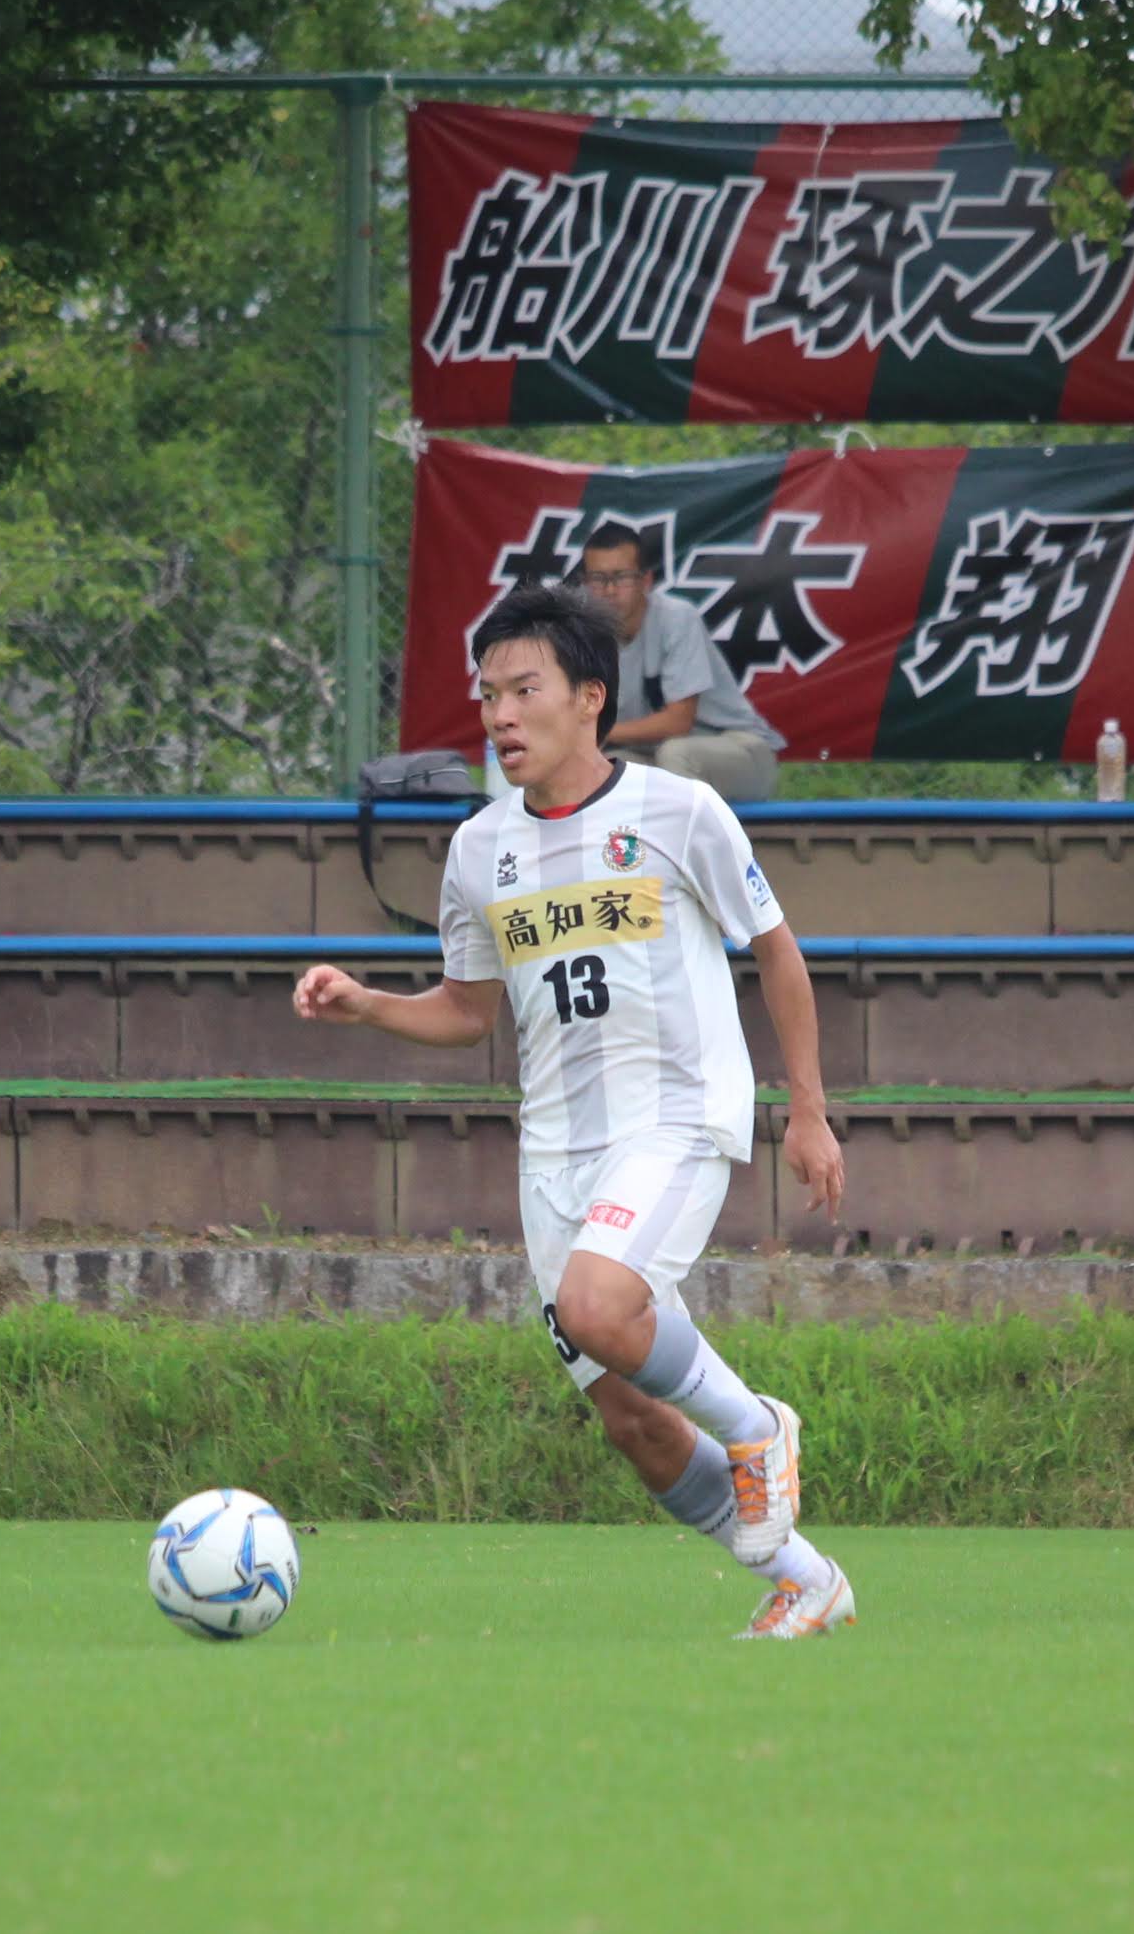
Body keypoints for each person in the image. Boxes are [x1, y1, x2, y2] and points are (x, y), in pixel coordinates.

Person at [292, 582, 857, 1639]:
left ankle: (757, 1426)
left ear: (590, 697)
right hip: (553, 1152)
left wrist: (808, 1111)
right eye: (487, 695)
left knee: (599, 1308)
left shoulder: (680, 812)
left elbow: (777, 950)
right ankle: (807, 1580)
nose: (500, 716)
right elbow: (469, 1010)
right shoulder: (478, 849)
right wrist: (367, 1005)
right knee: (631, 1420)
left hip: (677, 1116)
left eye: (524, 691)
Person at [574, 521, 786, 803]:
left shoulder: (676, 617)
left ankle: (694, 834)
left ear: (646, 581)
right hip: (656, 756)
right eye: (598, 579)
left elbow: (678, 722)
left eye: (621, 577)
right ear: (585, 584)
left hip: (740, 750)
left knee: (676, 754)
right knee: (608, 768)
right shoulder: (583, 634)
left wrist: (597, 732)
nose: (610, 590)